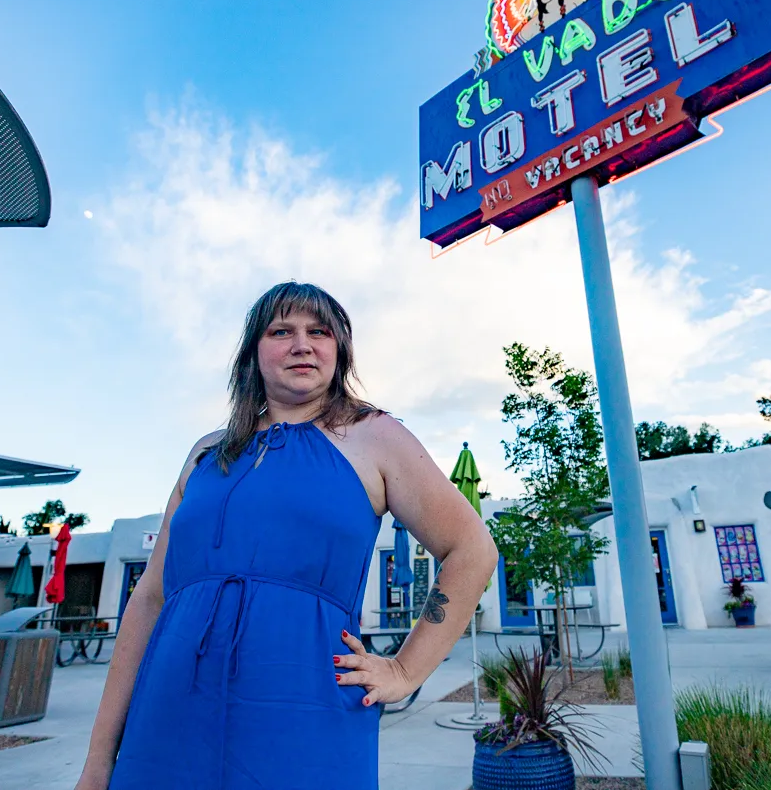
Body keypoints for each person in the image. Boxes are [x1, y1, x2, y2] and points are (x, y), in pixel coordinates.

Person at [74, 282, 499, 790]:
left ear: (338, 351)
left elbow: (472, 549)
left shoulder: (375, 437)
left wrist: (406, 670)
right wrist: (99, 761)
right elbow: (149, 599)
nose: (302, 344)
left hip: (305, 716)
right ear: (254, 353)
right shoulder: (206, 455)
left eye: (319, 332)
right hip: (167, 714)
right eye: (282, 331)